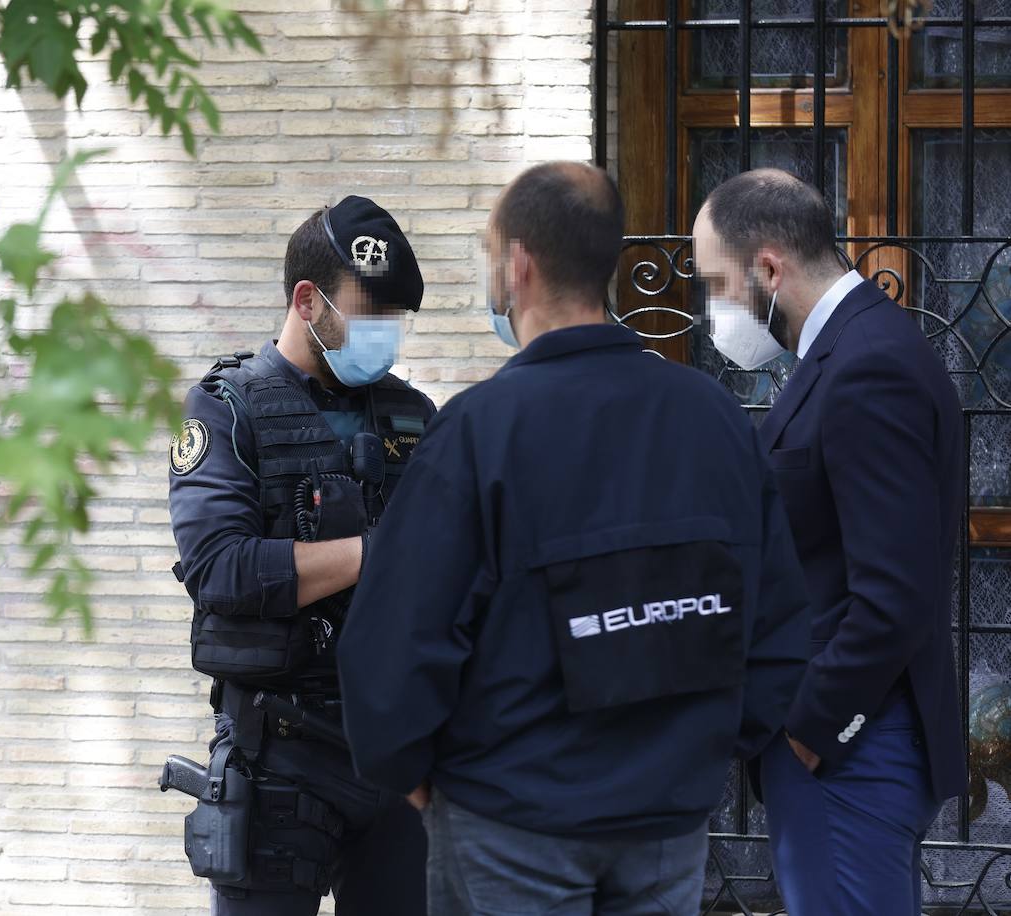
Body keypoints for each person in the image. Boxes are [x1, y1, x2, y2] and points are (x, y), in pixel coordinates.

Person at [336, 162, 811, 916]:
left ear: (517, 264)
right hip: (665, 822)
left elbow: (395, 640)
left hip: (512, 824)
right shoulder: (714, 419)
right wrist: (703, 753)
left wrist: (412, 769)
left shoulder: (479, 432)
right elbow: (780, 621)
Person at [692, 169, 966, 916]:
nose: (714, 310)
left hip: (853, 749)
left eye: (718, 285)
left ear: (769, 269)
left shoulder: (867, 364)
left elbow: (895, 594)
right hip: (847, 749)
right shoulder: (847, 351)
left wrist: (812, 732)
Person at [164, 196, 436, 916]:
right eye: (367, 311)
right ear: (307, 300)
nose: (383, 332)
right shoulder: (227, 410)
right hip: (280, 751)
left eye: (392, 317)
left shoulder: (414, 417)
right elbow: (220, 569)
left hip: (395, 754)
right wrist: (375, 554)